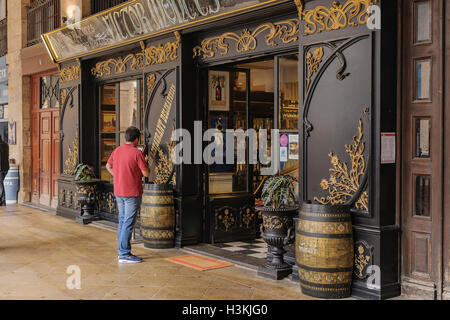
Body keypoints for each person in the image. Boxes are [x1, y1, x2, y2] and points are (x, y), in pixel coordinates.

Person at [106, 127, 150, 263]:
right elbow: (146, 173)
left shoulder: (117, 150)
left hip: (119, 191)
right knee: (128, 222)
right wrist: (146, 161)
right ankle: (124, 254)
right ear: (137, 139)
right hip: (132, 192)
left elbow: (108, 166)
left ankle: (121, 251)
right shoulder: (137, 153)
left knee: (122, 220)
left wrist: (118, 176)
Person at [0, 134, 9, 206]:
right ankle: (2, 201)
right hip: (5, 168)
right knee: (1, 183)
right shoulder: (6, 144)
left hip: (1, 168)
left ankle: (2, 201)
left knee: (1, 184)